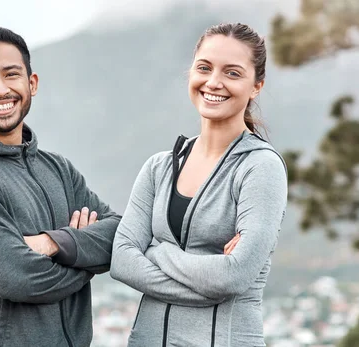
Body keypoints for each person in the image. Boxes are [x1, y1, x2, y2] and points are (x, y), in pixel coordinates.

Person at [0, 25, 120, 347]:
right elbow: (22, 280)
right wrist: (86, 255)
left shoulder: (57, 168)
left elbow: (118, 233)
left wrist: (53, 244)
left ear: (32, 83)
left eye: (11, 74)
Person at [110, 23, 288, 347]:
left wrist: (157, 251)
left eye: (232, 73)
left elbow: (234, 275)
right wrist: (210, 279)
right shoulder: (159, 167)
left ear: (256, 86)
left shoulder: (260, 167)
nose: (213, 82)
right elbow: (122, 260)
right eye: (204, 68)